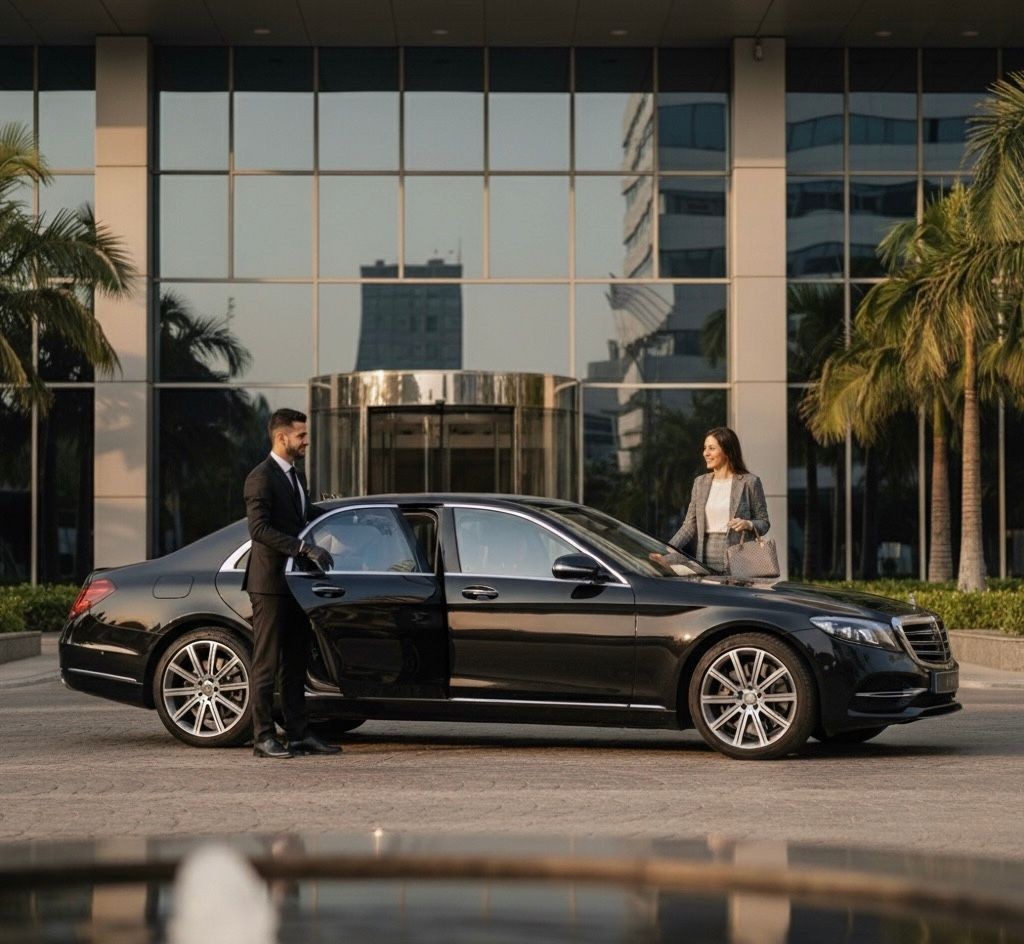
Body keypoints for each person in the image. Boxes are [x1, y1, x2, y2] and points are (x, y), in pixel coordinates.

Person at [242, 408, 340, 759]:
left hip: (296, 583)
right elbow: (259, 529)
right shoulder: (260, 478)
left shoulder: (295, 476)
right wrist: (303, 547)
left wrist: (340, 514)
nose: (306, 441)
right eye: (301, 435)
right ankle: (263, 737)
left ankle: (299, 735)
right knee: (266, 664)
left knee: (295, 664)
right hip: (269, 584)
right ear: (281, 438)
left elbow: (303, 513)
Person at [653, 427, 769, 574]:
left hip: (740, 559)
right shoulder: (700, 483)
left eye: (712, 448)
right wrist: (666, 550)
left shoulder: (749, 482)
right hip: (705, 558)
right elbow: (689, 526)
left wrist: (749, 524)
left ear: (727, 451)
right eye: (705, 448)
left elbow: (764, 522)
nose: (705, 453)